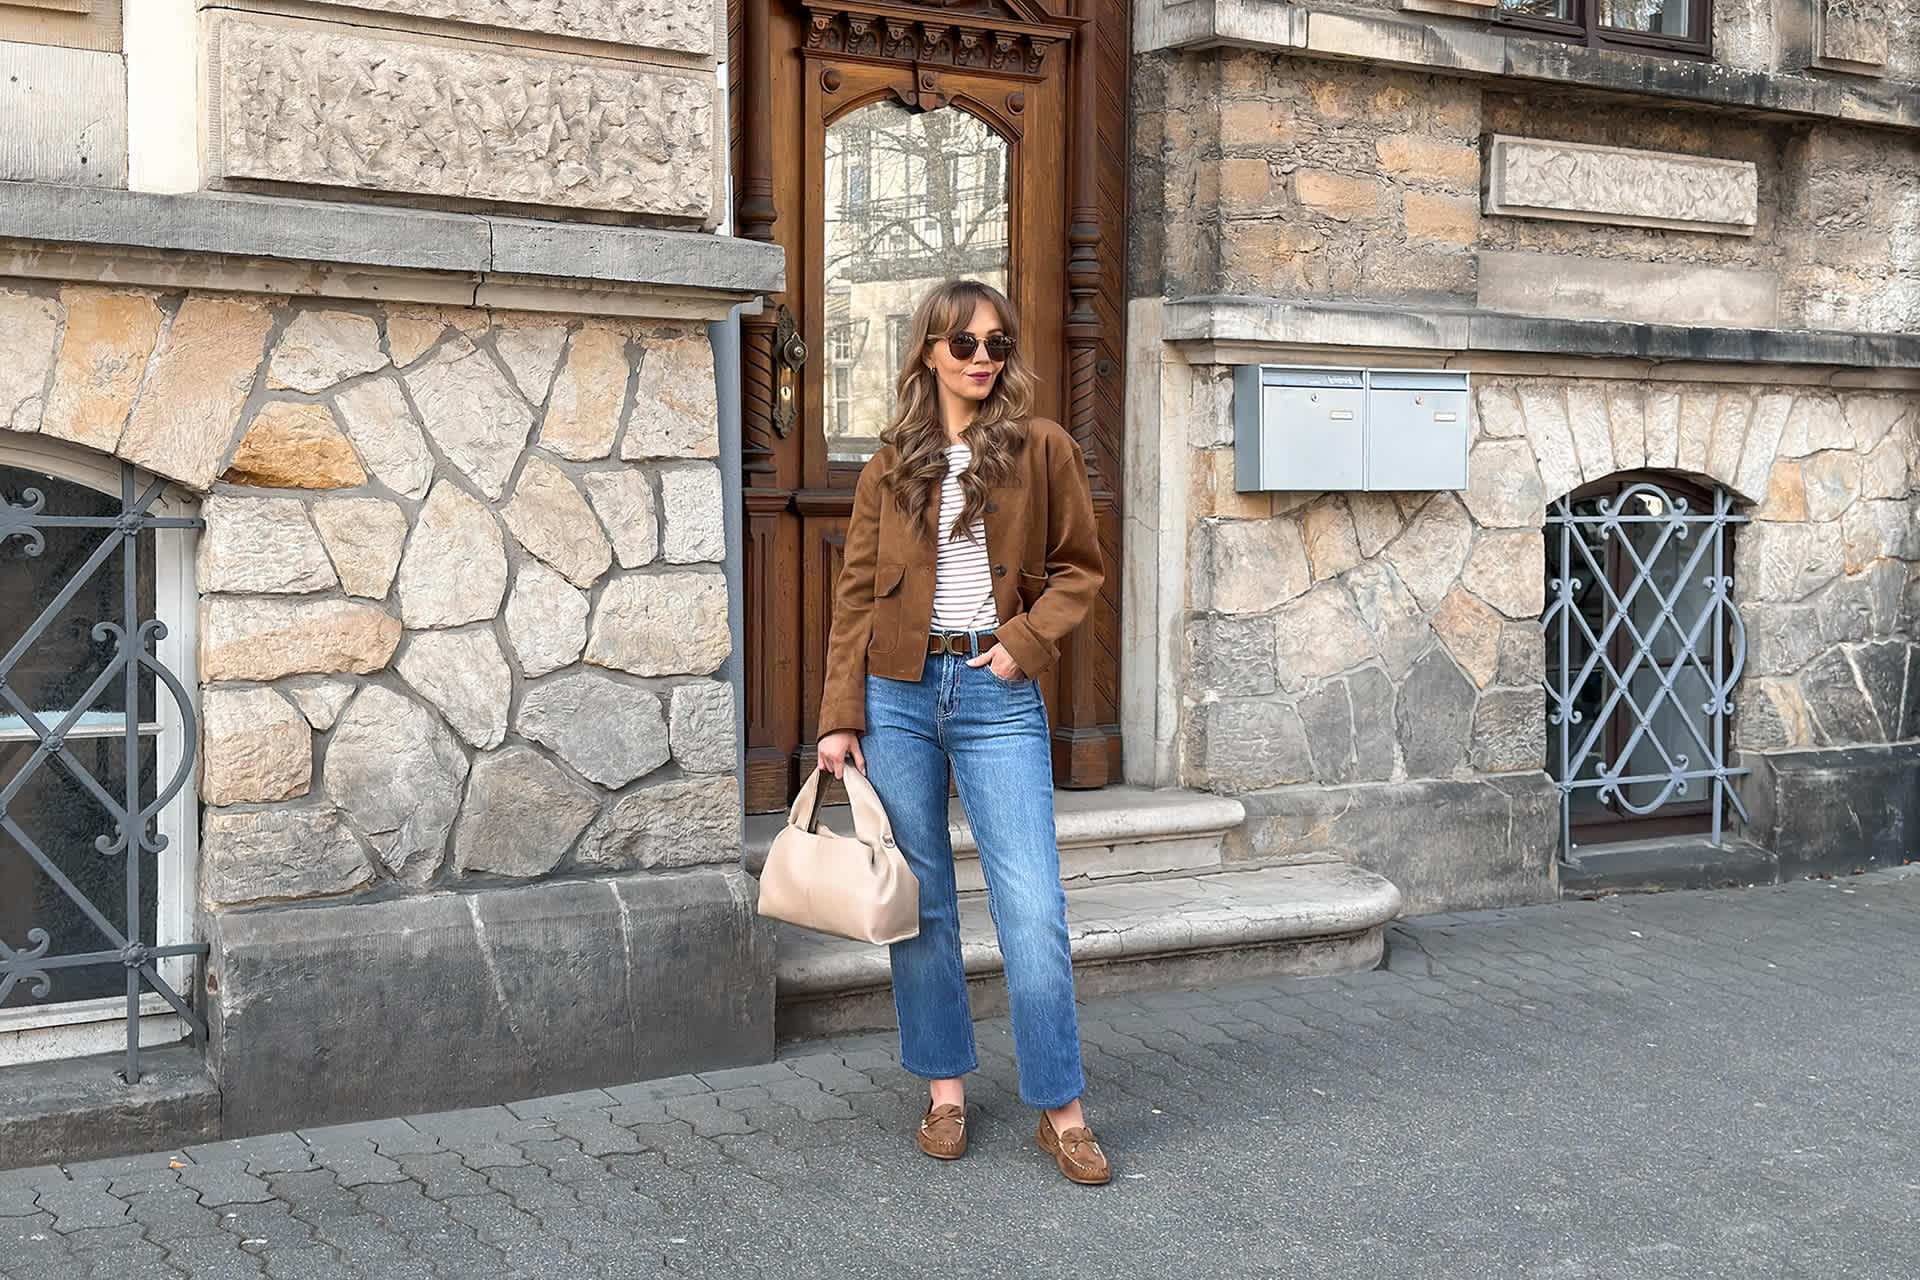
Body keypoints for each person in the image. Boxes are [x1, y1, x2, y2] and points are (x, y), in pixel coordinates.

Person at [814, 278, 1110, 1185]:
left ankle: (1061, 1109)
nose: (983, 360)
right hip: (898, 693)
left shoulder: (1040, 448)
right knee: (924, 901)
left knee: (1032, 905)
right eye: (964, 345)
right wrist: (838, 716)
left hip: (993, 690)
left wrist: (1021, 647)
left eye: (996, 346)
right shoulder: (890, 463)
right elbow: (856, 594)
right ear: (930, 355)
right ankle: (944, 1092)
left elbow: (1078, 571)